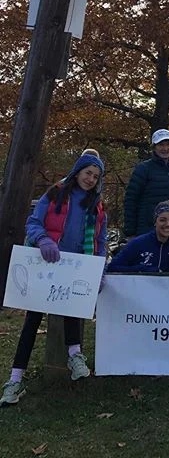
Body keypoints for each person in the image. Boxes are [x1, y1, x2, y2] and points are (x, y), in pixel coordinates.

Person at [0, 153, 107, 407]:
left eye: (96, 175)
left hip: (75, 269)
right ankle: (15, 379)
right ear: (77, 171)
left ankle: (74, 355)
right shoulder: (55, 193)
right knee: (32, 322)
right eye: (87, 173)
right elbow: (33, 222)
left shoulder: (98, 206)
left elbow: (100, 242)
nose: (90, 179)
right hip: (45, 267)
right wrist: (43, 240)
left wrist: (98, 270)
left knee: (73, 312)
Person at [123, 129, 169, 238]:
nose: (165, 148)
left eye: (168, 144)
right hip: (147, 229)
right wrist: (130, 230)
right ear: (154, 147)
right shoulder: (143, 169)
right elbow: (131, 200)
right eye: (161, 145)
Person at [108, 201, 169, 272]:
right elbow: (112, 267)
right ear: (155, 222)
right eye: (162, 220)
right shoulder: (138, 244)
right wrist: (141, 270)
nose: (168, 224)